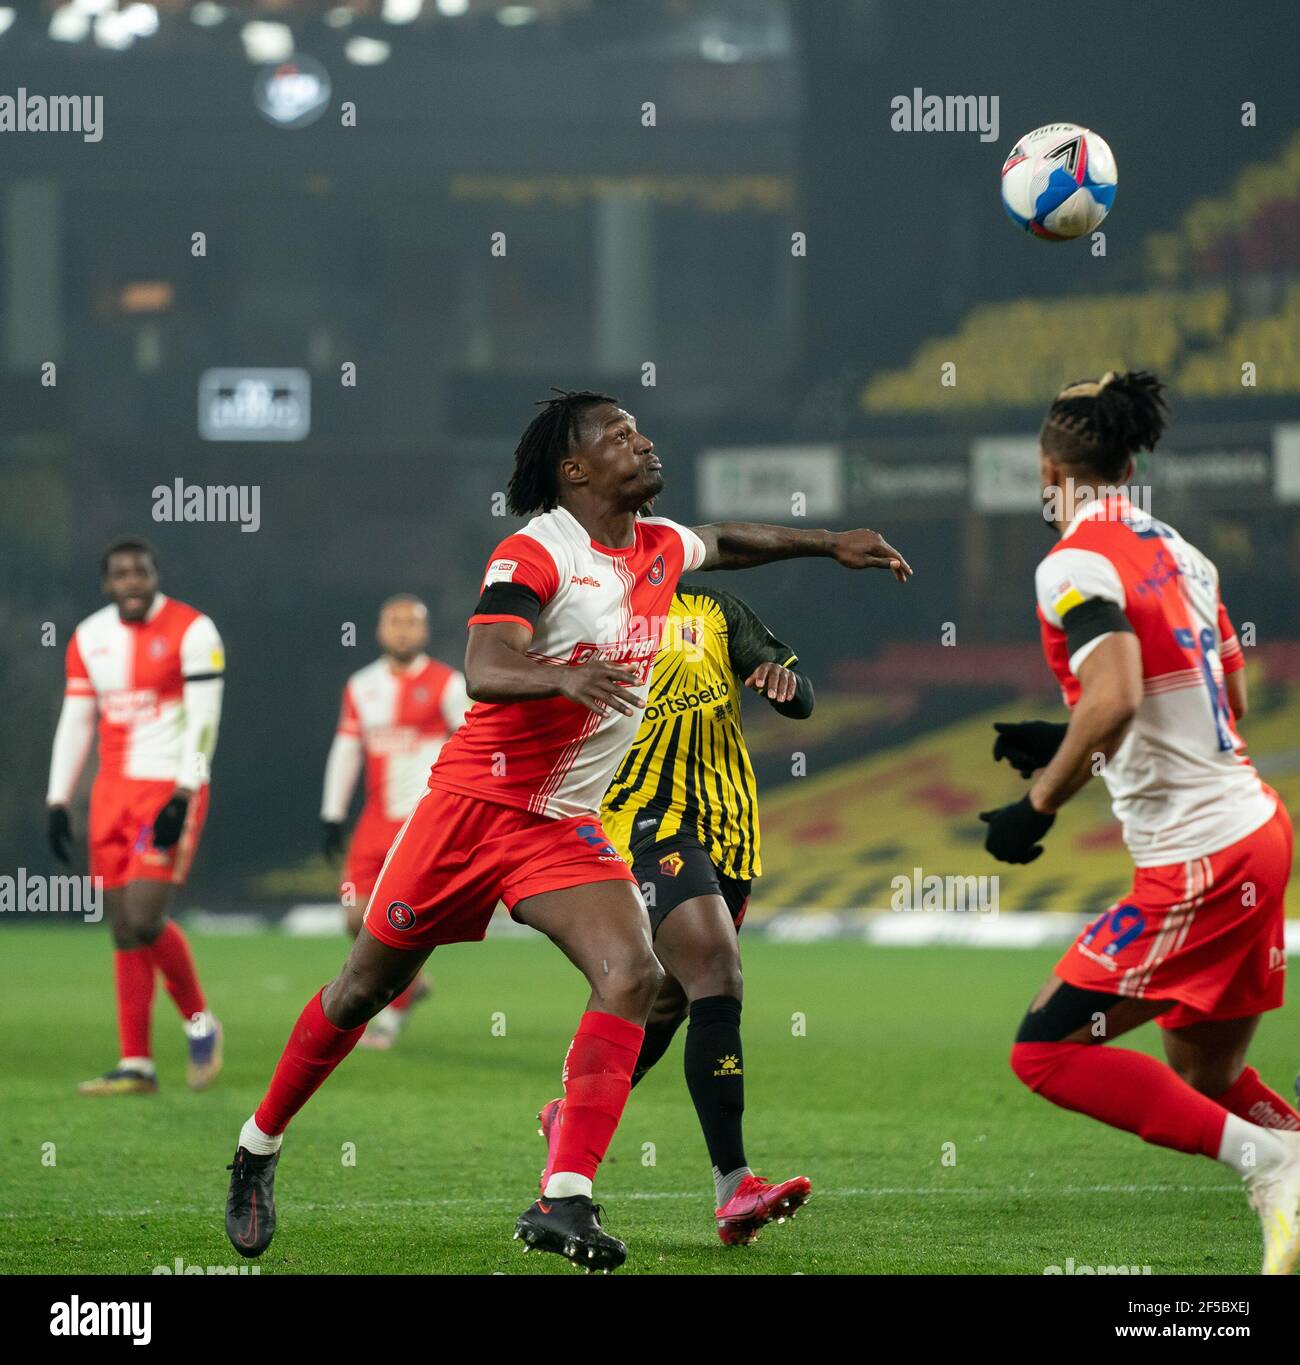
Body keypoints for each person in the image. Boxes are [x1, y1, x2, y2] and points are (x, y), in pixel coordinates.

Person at [225, 389, 910, 1272]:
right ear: (575, 469)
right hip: (471, 811)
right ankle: (258, 1146)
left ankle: (564, 1198)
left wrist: (829, 545)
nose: (644, 440)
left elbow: (733, 541)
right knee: (362, 987)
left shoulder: (661, 545)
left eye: (641, 428)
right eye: (620, 435)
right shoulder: (537, 549)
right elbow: (483, 662)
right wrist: (563, 677)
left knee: (632, 972)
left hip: (560, 823)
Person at [983, 371, 1300, 1275]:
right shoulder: (1183, 552)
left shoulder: (1074, 562)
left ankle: (1275, 1163)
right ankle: (1290, 1153)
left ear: (1050, 467)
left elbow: (1118, 693)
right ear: (1129, 462)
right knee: (1204, 1071)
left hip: (1199, 853)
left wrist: (1038, 800)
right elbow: (1225, 696)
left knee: (1045, 1051)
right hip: (1257, 829)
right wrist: (1072, 730)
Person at [533, 585, 814, 1246]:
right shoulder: (585, 613)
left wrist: (783, 684)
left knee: (665, 1004)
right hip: (642, 819)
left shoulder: (712, 609)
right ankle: (735, 1183)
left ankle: (569, 1118)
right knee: (717, 968)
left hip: (730, 826)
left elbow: (800, 695)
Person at [47, 537, 225, 1096]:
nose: (131, 582)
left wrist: (185, 791)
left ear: (155, 575)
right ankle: (137, 1065)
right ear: (106, 583)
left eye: (140, 572)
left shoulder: (195, 630)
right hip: (111, 794)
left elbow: (204, 718)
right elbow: (77, 720)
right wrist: (58, 798)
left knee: (145, 918)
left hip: (168, 789)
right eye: (120, 574)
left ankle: (200, 1022)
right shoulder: (89, 637)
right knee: (123, 929)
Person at [320, 594, 469, 1049]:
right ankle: (414, 984)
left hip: (423, 821)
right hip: (374, 821)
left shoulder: (448, 684)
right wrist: (332, 813)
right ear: (380, 630)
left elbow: (472, 742)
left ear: (424, 631)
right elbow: (347, 749)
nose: (403, 629)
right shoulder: (361, 685)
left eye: (412, 622)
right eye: (394, 622)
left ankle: (390, 1016)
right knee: (354, 917)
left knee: (401, 919)